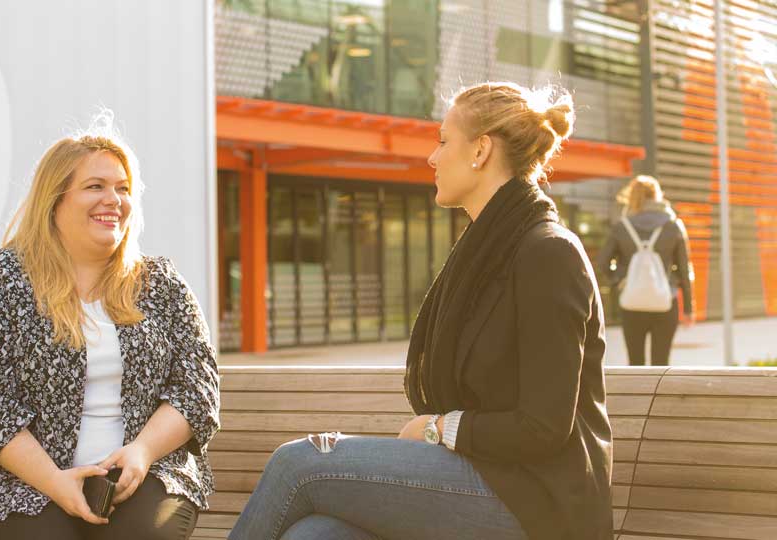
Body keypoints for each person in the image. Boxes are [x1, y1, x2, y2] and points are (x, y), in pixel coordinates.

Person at [228, 82, 613, 540]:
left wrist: (438, 428)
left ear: (481, 150)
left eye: (443, 140)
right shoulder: (486, 252)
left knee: (299, 463)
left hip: (536, 506)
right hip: (478, 478)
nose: (432, 157)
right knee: (314, 535)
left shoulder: (548, 254)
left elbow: (544, 426)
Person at [0, 114, 220, 540]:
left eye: (123, 189)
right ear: (55, 200)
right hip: (18, 483)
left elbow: (198, 388)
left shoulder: (162, 284)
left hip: (142, 476)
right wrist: (56, 483)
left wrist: (141, 451)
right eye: (95, 186)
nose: (113, 200)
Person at [598, 175, 695, 366]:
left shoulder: (621, 227)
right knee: (661, 363)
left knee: (635, 363)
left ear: (632, 197)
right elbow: (684, 269)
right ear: (658, 196)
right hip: (666, 301)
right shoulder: (673, 226)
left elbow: (602, 263)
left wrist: (620, 280)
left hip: (631, 303)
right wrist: (689, 309)